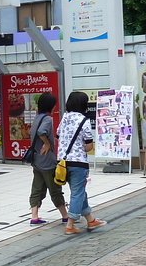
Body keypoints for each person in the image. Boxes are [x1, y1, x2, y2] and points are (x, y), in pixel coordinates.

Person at [56, 91, 106, 235]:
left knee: (79, 191)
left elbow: (58, 135)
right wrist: (82, 147)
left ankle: (91, 220)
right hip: (79, 162)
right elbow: (89, 146)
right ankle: (70, 224)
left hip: (63, 161)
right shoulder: (84, 121)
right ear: (84, 105)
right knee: (77, 193)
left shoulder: (64, 118)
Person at [27, 93, 69, 226]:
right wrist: (47, 143)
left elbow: (32, 133)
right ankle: (65, 216)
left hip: (37, 160)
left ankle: (34, 216)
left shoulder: (36, 118)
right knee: (55, 188)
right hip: (47, 160)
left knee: (37, 188)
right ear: (50, 106)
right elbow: (41, 132)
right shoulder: (47, 119)